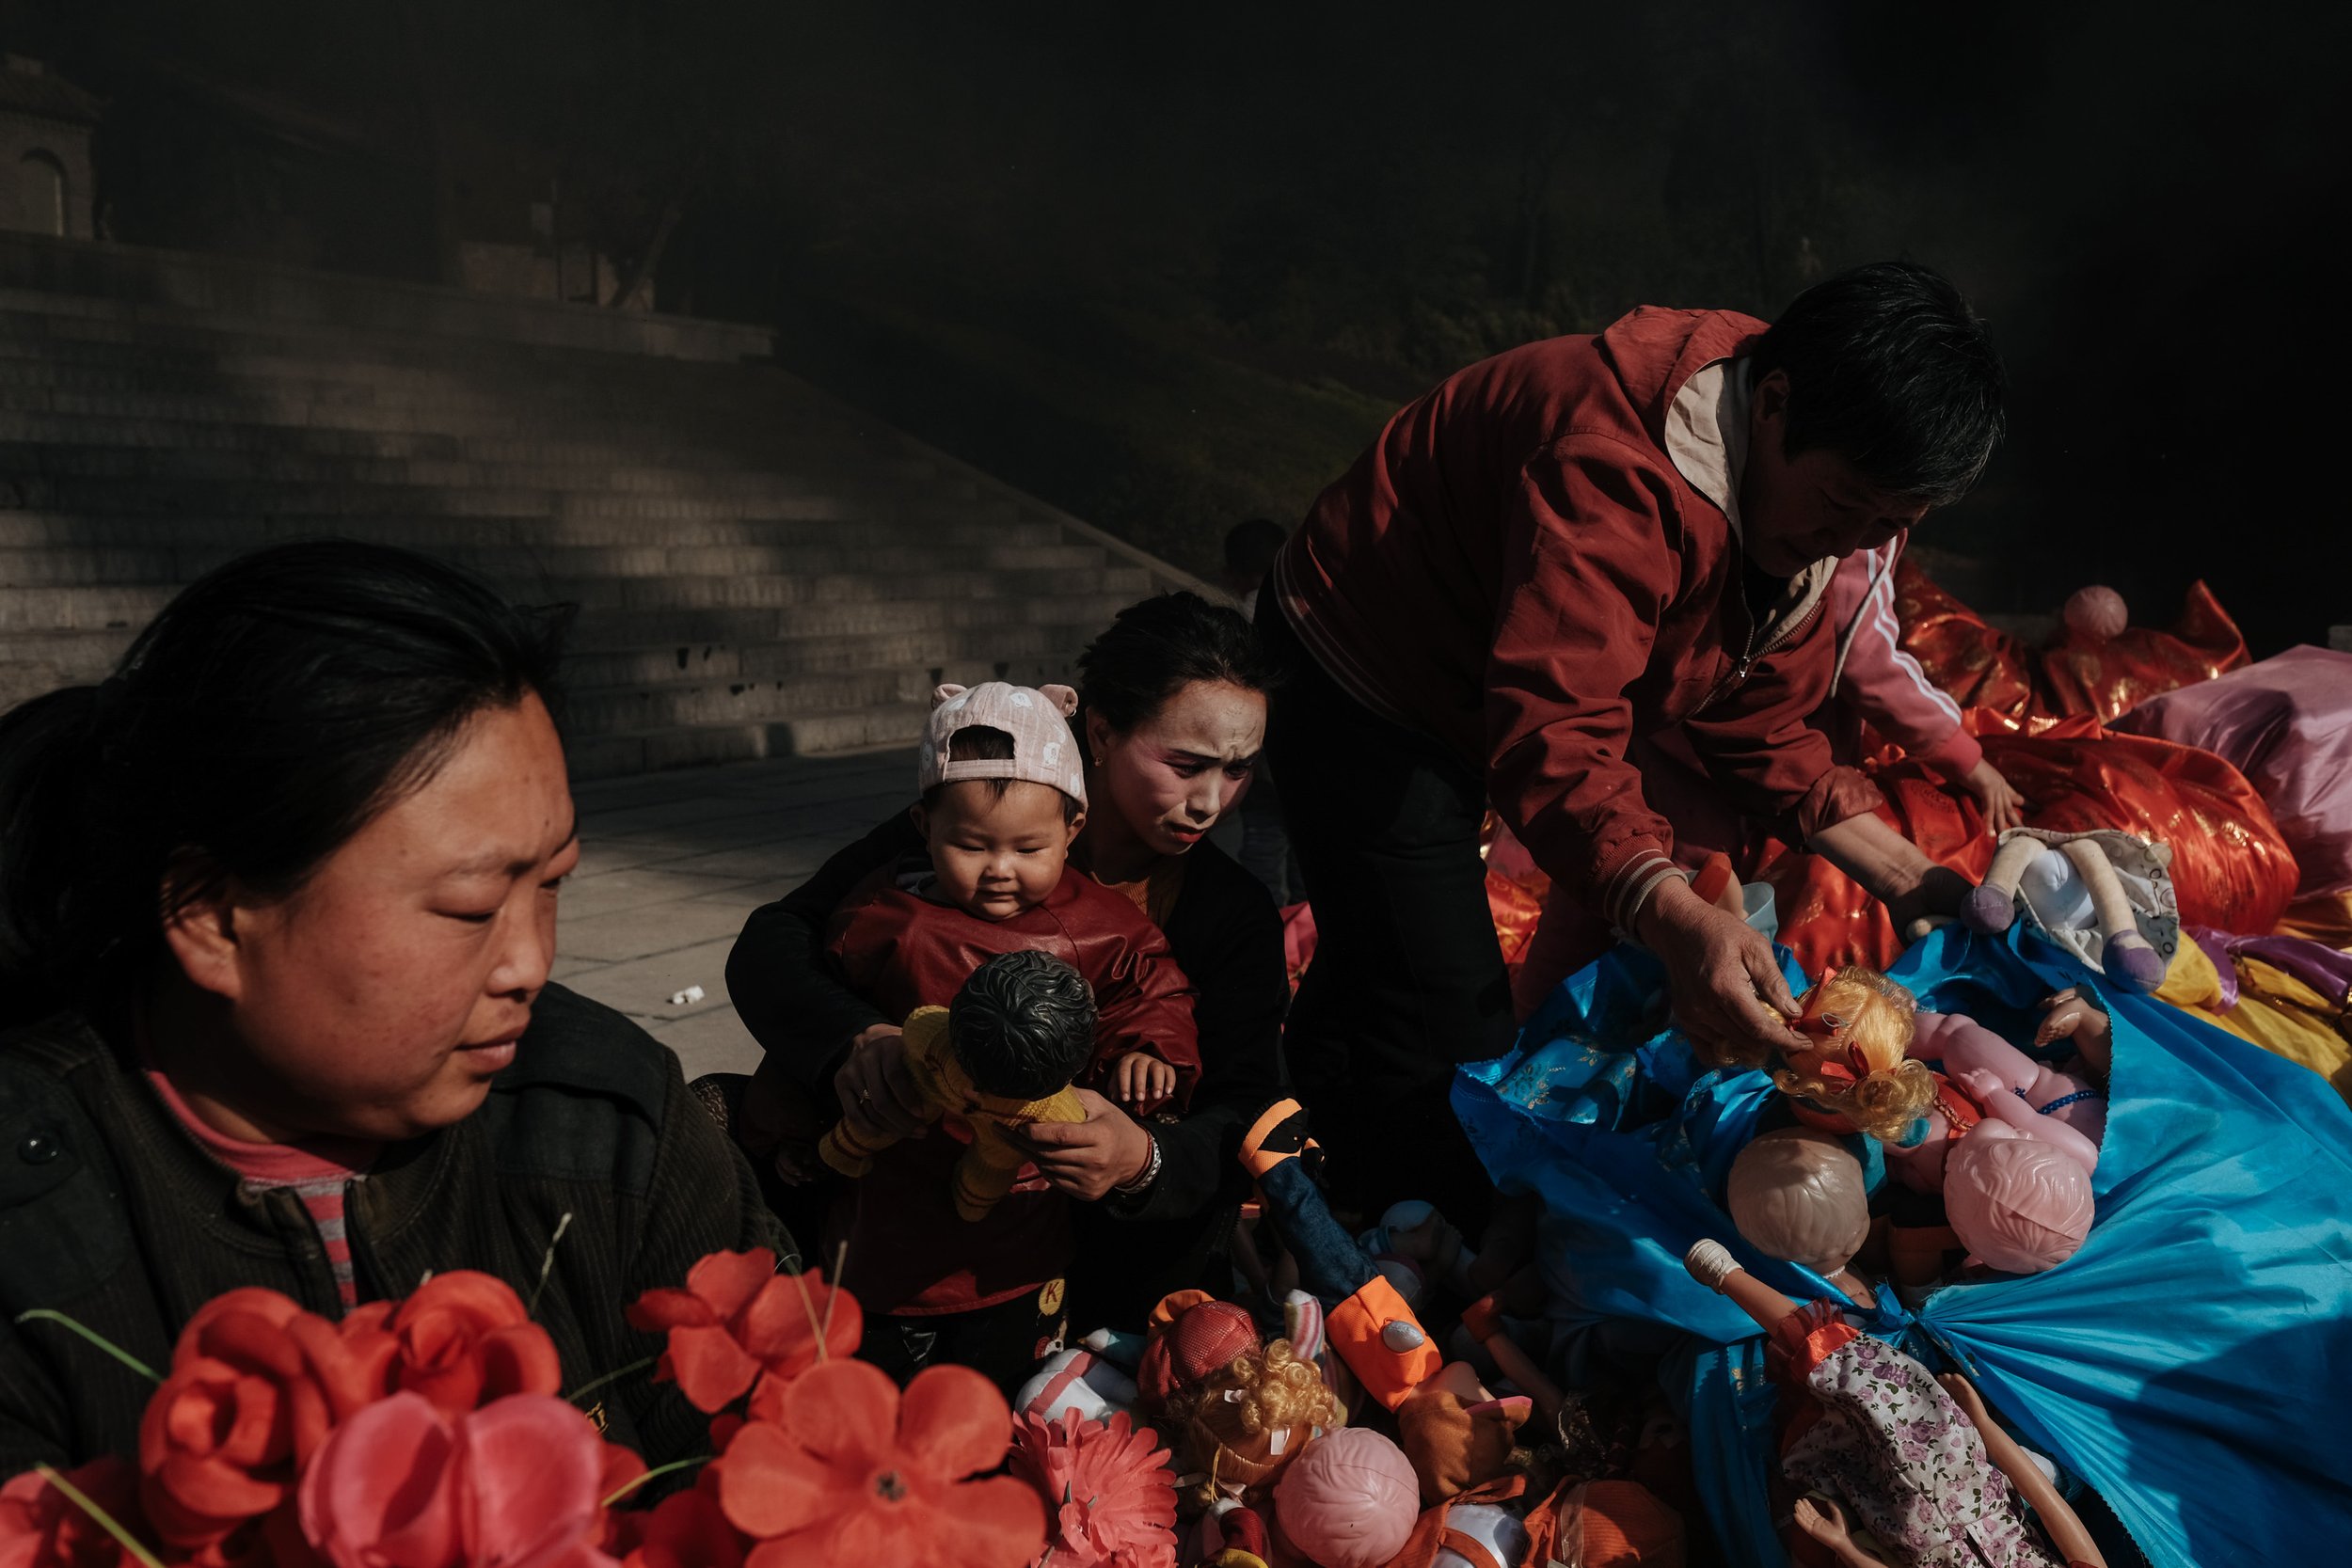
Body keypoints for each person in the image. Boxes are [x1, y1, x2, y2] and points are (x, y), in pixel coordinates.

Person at [0, 541, 783, 1477]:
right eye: (468, 907)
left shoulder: (609, 1127)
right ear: (211, 915)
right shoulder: (31, 1233)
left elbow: (785, 1458)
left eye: (553, 882)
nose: (531, 962)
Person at [1260, 261, 2005, 1224]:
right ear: (1773, 405)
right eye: (1838, 504)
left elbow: (1762, 722)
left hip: (1473, 695)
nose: (1844, 539)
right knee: (1451, 1024)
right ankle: (1417, 1251)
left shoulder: (1801, 514)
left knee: (1382, 960)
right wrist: (1672, 916)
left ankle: (1298, 1159)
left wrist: (1915, 879)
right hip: (1363, 665)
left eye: (1885, 525)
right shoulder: (1610, 463)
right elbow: (1556, 728)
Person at [727, 592, 1285, 1344]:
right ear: (1100, 731)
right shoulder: (980, 819)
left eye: (1239, 769)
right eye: (1184, 764)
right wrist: (855, 1043)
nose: (1211, 801)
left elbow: (1243, 1103)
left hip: (1081, 1247)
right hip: (897, 1202)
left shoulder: (1231, 911)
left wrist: (1140, 1157)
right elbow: (775, 940)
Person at [795, 681, 1202, 1385]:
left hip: (1021, 1204)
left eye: (1028, 846)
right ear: (924, 826)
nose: (999, 870)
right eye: (972, 844)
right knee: (875, 1382)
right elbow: (819, 999)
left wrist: (1149, 1048)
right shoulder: (888, 917)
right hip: (893, 1194)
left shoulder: (1100, 926)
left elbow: (1152, 986)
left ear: (1073, 828)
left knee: (1003, 1385)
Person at [1223, 519, 1302, 905]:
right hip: (1312, 758)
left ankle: (1271, 936)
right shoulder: (1308, 608)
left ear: (1235, 574)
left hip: (1263, 760)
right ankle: (1308, 939)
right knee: (1309, 858)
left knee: (1263, 848)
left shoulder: (1239, 619)